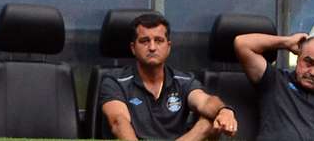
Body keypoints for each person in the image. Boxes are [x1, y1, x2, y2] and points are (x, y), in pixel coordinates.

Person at [99, 13, 238, 140]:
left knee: (208, 118)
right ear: (133, 48)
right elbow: (118, 122)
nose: (152, 47)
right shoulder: (115, 81)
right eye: (144, 41)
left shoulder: (184, 81)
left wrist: (224, 110)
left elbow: (205, 101)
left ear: (168, 47)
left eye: (158, 40)